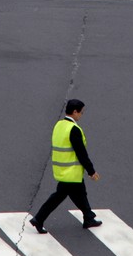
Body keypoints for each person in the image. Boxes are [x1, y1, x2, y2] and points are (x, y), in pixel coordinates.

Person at [30, 99, 101, 233]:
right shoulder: (73, 129)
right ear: (75, 112)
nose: (81, 115)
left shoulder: (59, 125)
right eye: (81, 112)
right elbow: (81, 153)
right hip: (71, 171)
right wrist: (91, 171)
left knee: (80, 193)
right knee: (59, 196)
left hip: (61, 169)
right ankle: (38, 219)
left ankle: (88, 217)